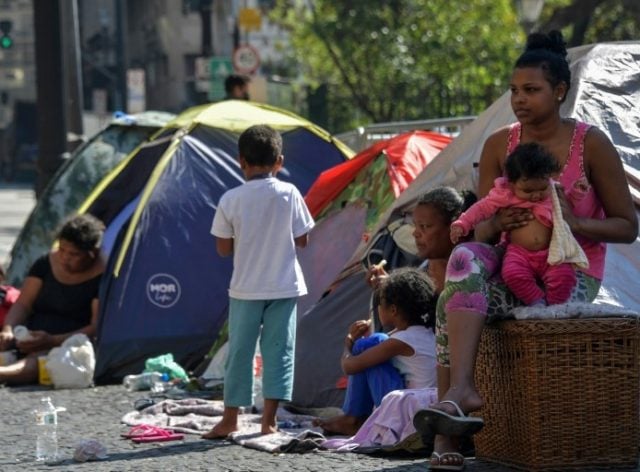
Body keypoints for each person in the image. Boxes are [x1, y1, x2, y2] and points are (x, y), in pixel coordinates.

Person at [417, 30, 638, 471]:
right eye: (514, 90)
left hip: (568, 272)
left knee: (450, 303)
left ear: (559, 91)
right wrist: (498, 223)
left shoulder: (590, 144)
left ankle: (454, 412)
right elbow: (481, 229)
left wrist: (576, 223)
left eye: (532, 90)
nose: (519, 99)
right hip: (511, 265)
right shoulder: (501, 143)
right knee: (459, 269)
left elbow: (627, 226)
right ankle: (455, 406)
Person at [203, 124, 314, 438]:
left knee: (240, 352)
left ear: (241, 161)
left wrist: (247, 237)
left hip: (246, 288)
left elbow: (223, 249)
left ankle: (230, 419)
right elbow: (303, 239)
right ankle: (269, 421)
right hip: (285, 286)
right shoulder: (289, 193)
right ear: (280, 161)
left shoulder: (230, 199)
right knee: (279, 351)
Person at [451, 142, 579, 306]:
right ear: (511, 184)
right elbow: (481, 208)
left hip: (552, 251)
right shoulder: (505, 195)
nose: (536, 195)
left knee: (565, 275)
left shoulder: (553, 192)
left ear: (550, 179)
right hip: (519, 253)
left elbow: (567, 205)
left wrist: (577, 192)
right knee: (512, 274)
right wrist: (462, 223)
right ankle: (537, 302)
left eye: (542, 189)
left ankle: (556, 307)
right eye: (528, 191)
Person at [314, 268, 438, 436]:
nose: (378, 308)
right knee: (374, 344)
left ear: (393, 310)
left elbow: (350, 367)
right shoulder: (425, 332)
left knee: (371, 343)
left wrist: (349, 342)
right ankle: (355, 417)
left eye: (380, 303)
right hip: (425, 406)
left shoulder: (402, 340)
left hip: (408, 412)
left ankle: (353, 418)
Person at [0, 214, 105, 384]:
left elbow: (95, 326)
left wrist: (52, 340)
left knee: (42, 360)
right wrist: (8, 330)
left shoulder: (103, 276)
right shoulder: (45, 263)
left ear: (92, 253)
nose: (64, 258)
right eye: (62, 250)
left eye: (74, 254)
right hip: (32, 333)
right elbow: (23, 304)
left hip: (69, 341)